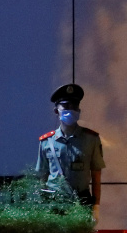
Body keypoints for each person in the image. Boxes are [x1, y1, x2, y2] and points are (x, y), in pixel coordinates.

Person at [35, 83, 105, 221]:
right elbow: (41, 177)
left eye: (74, 106)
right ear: (56, 111)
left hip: (81, 202)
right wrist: (41, 205)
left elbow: (96, 177)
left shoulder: (91, 139)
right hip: (54, 204)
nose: (70, 110)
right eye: (66, 107)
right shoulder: (46, 142)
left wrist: (96, 207)